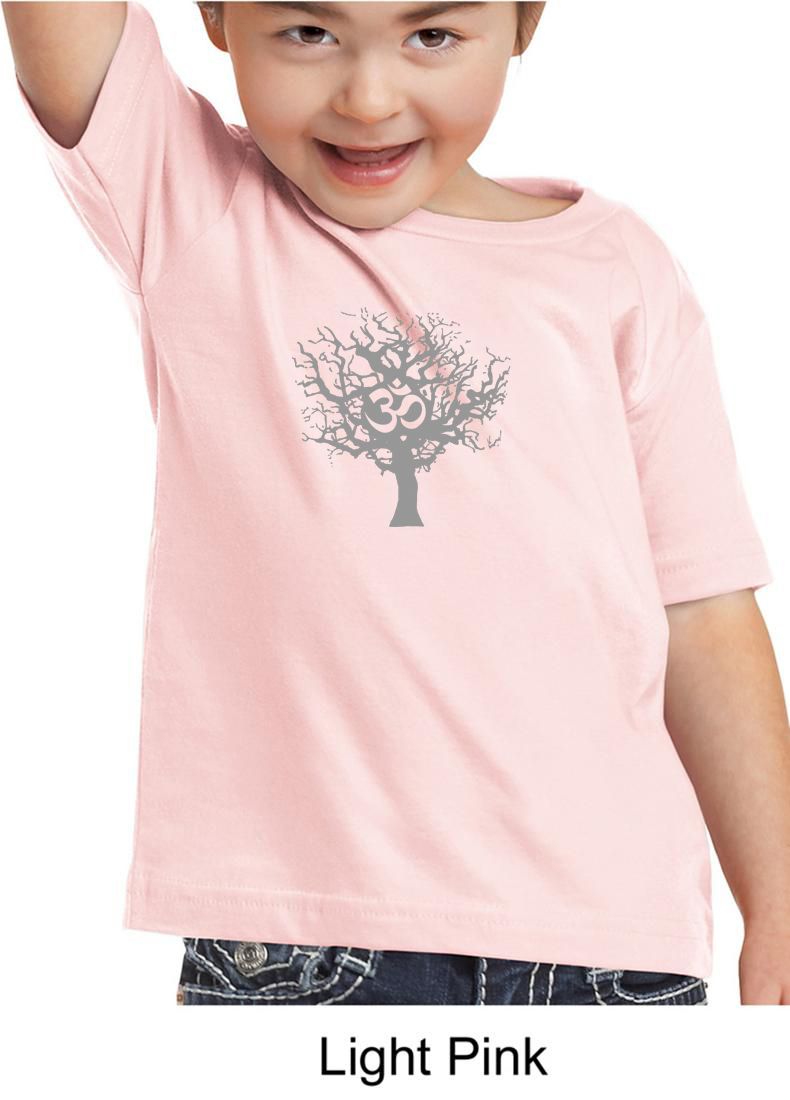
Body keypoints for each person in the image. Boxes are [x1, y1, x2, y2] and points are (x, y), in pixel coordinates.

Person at [4, 0, 788, 1006]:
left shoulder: (619, 271)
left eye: (431, 36)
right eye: (308, 32)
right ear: (218, 15)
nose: (369, 98)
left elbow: (704, 610)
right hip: (309, 943)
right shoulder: (196, 206)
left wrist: (776, 900)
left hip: (611, 949)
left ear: (523, 20)